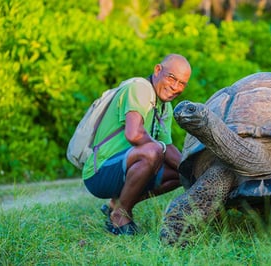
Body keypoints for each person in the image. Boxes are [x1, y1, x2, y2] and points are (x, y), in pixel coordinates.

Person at [82, 54, 192, 235]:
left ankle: (117, 205)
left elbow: (168, 147)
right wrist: (159, 150)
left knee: (181, 173)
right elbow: (134, 134)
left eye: (182, 83)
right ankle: (120, 215)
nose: (175, 87)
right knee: (152, 152)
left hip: (125, 168)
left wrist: (193, 170)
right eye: (172, 78)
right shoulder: (140, 89)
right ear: (157, 70)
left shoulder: (165, 107)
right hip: (99, 172)